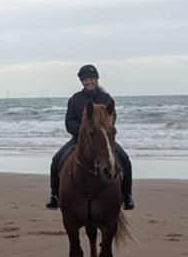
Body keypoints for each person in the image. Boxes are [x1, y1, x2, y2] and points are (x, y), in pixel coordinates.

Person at [46, 64, 134, 211]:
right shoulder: (75, 99)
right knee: (56, 160)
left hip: (102, 140)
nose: (89, 82)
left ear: (97, 80)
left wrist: (102, 130)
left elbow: (112, 119)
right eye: (86, 80)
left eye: (91, 79)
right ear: (82, 82)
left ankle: (127, 196)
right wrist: (83, 131)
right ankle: (54, 195)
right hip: (79, 140)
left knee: (124, 159)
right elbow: (69, 122)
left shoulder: (106, 99)